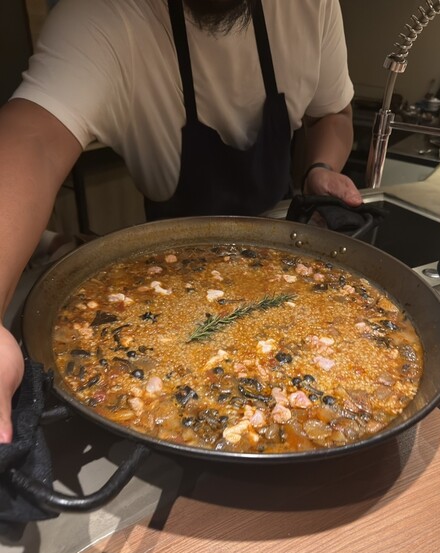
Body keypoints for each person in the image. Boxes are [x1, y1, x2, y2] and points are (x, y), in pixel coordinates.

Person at [0, 0, 361, 444]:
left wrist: (319, 167)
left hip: (283, 253)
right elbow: (31, 140)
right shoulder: (105, 13)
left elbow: (332, 113)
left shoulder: (313, 5)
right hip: (163, 266)